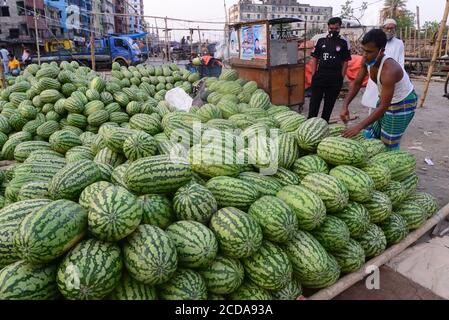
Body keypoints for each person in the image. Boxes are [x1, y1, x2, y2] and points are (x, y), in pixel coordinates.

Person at [340, 29, 417, 150]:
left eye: (369, 51)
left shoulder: (390, 71)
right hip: (385, 100)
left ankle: (393, 166)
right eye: (363, 50)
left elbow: (384, 107)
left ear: (382, 51)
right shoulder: (366, 60)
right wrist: (345, 105)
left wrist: (358, 126)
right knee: (371, 136)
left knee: (388, 144)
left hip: (402, 103)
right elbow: (357, 83)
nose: (364, 55)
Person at [308, 17, 352, 122]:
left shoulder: (344, 42)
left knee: (329, 104)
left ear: (340, 27)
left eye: (336, 29)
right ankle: (310, 124)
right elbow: (315, 58)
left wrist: (341, 77)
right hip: (320, 76)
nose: (333, 31)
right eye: (331, 28)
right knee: (314, 103)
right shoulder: (320, 40)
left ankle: (324, 124)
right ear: (328, 27)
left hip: (335, 78)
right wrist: (314, 75)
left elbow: (346, 61)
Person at [362, 18, 405, 110]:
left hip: (389, 75)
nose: (389, 30)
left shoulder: (399, 43)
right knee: (373, 102)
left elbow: (401, 61)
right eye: (387, 28)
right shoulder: (377, 41)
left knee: (386, 104)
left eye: (392, 28)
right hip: (376, 72)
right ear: (384, 28)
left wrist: (397, 75)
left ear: (395, 29)